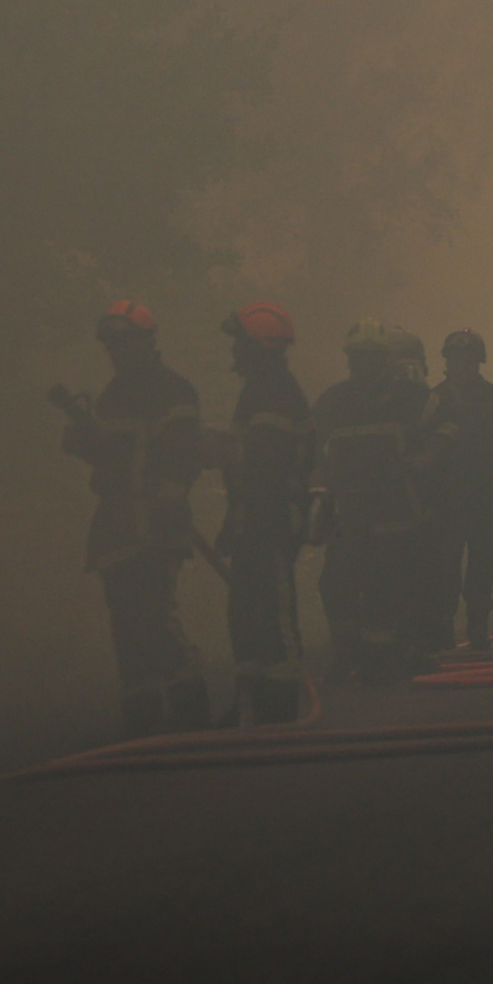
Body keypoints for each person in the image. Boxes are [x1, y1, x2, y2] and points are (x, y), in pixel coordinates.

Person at [56, 300, 213, 737]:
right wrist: (81, 436)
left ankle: (192, 718)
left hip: (155, 529)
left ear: (147, 340)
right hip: (116, 529)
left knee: (156, 622)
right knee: (127, 630)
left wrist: (168, 505)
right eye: (110, 345)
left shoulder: (173, 390)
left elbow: (184, 455)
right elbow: (109, 459)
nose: (115, 352)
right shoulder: (112, 395)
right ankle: (144, 726)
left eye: (123, 342)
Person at [309, 319, 433, 682]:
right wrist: (317, 486)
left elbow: (444, 435)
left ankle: (386, 661)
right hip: (348, 515)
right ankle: (349, 655)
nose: (362, 367)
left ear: (384, 362)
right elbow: (311, 450)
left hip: (396, 515)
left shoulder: (412, 399)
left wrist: (422, 466)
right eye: (356, 359)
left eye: (370, 359)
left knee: (387, 589)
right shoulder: (334, 401)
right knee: (335, 585)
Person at [215, 302, 312, 723]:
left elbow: (264, 471)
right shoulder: (259, 390)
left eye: (239, 343)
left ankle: (282, 708)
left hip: (269, 523)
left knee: (272, 617)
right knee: (246, 617)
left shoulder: (274, 392)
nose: (234, 352)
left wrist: (215, 451)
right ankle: (252, 703)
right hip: (252, 523)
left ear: (258, 347)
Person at [418, 328, 493, 653]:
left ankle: (478, 629)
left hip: (484, 497)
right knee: (445, 567)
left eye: (466, 358)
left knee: (480, 565)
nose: (460, 364)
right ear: (447, 361)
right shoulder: (432, 401)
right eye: (454, 357)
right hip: (445, 498)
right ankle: (443, 632)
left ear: (478, 361)